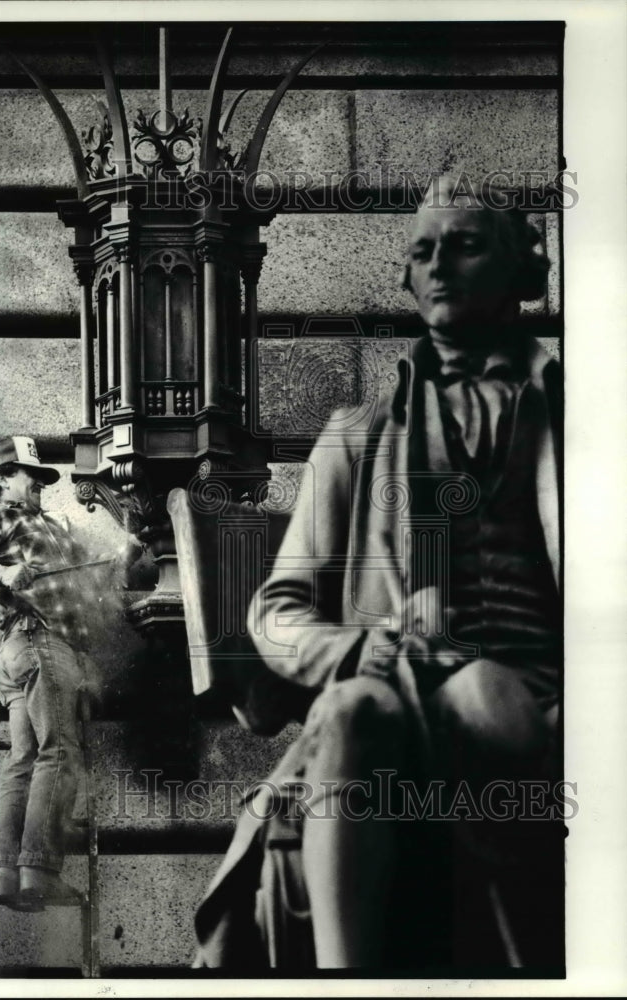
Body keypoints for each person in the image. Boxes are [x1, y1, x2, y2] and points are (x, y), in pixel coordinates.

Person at [194, 178, 562, 969]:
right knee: (357, 709)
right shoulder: (358, 437)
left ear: (520, 272)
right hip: (398, 685)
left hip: (548, 688)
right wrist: (359, 652)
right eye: (422, 251)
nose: (439, 266)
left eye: (465, 245)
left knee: (495, 710)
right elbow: (277, 610)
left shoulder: (582, 416)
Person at [0, 435, 122, 909]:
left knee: (23, 759)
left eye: (42, 478)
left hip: (22, 652)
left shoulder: (52, 526)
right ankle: (38, 869)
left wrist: (129, 556)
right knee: (59, 750)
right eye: (29, 476)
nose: (39, 484)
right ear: (1, 478)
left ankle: (5, 874)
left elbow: (87, 579)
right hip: (41, 644)